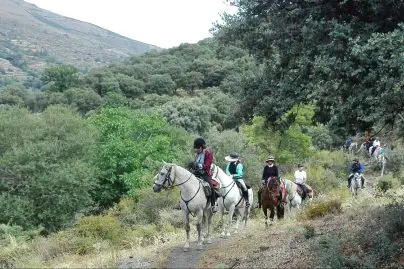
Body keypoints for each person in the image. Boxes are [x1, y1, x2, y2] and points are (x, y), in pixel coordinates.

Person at [192, 137, 218, 212]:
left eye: (197, 148)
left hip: (204, 174)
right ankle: (181, 202)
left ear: (201, 147)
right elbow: (195, 163)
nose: (195, 150)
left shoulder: (208, 154)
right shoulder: (197, 154)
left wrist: (198, 165)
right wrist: (193, 165)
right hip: (196, 172)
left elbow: (207, 165)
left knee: (211, 187)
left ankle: (213, 205)